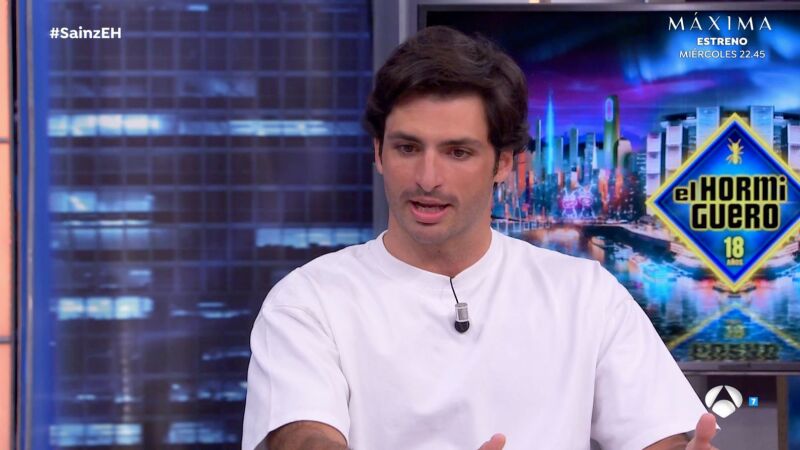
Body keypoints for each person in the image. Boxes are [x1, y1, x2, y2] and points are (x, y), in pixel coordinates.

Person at [243, 26, 718, 450]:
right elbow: (304, 438)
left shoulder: (586, 295)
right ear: (379, 153)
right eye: (408, 147)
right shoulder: (308, 301)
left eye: (457, 152)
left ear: (503, 163)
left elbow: (661, 438)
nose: (428, 178)